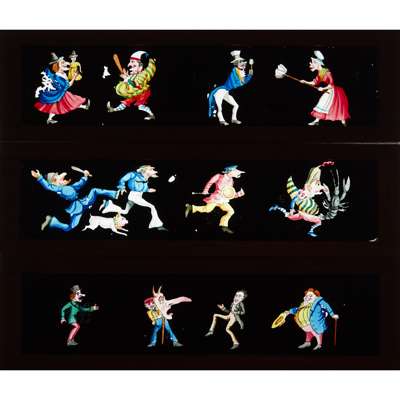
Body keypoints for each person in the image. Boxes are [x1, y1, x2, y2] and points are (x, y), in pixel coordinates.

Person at [31, 168, 120, 232]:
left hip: (83, 202)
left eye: (58, 175)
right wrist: (40, 177)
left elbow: (79, 184)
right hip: (75, 210)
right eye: (56, 177)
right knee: (71, 227)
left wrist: (85, 176)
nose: (61, 176)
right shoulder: (59, 189)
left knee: (94, 191)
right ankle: (53, 222)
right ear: (54, 182)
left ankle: (115, 194)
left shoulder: (69, 187)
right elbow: (48, 187)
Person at [99, 165, 167, 231]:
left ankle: (109, 205)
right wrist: (122, 187)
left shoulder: (146, 178)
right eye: (151, 169)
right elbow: (123, 179)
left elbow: (141, 187)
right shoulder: (133, 174)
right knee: (152, 207)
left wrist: (147, 190)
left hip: (137, 196)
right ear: (144, 170)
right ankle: (158, 225)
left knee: (125, 211)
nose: (153, 171)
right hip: (134, 196)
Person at [185, 165, 245, 234]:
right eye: (234, 171)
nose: (236, 173)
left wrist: (238, 194)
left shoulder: (231, 181)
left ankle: (223, 226)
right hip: (215, 198)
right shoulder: (219, 176)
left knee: (231, 211)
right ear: (230, 171)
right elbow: (210, 182)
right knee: (207, 209)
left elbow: (228, 194)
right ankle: (191, 207)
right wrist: (205, 190)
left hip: (223, 200)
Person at [34, 52, 90, 124]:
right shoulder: (58, 76)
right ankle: (84, 107)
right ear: (57, 66)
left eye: (64, 61)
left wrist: (72, 67)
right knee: (70, 102)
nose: (65, 63)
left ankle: (49, 119)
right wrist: (74, 77)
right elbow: (68, 85)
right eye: (62, 63)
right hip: (59, 94)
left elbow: (68, 69)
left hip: (61, 92)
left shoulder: (62, 73)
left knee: (60, 105)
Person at [300, 50, 350, 126]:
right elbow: (314, 82)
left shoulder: (326, 72)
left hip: (333, 91)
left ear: (318, 64)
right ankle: (317, 121)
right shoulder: (321, 73)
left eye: (313, 63)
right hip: (329, 90)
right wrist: (305, 82)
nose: (311, 64)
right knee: (323, 103)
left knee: (336, 106)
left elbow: (331, 84)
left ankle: (343, 121)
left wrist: (322, 89)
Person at [208, 50, 254, 125]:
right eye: (240, 62)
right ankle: (221, 120)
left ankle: (234, 119)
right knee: (220, 108)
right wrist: (245, 79)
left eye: (242, 62)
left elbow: (245, 80)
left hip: (226, 91)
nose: (242, 64)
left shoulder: (241, 71)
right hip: (221, 91)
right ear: (236, 64)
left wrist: (250, 71)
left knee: (236, 105)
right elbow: (238, 83)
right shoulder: (234, 71)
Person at [107, 50, 156, 120]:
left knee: (140, 106)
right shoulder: (135, 74)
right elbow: (131, 82)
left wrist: (126, 79)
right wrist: (126, 77)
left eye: (133, 63)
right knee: (125, 102)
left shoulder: (142, 76)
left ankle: (152, 115)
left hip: (143, 93)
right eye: (130, 62)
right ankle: (113, 110)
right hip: (136, 92)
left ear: (141, 65)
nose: (129, 65)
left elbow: (135, 85)